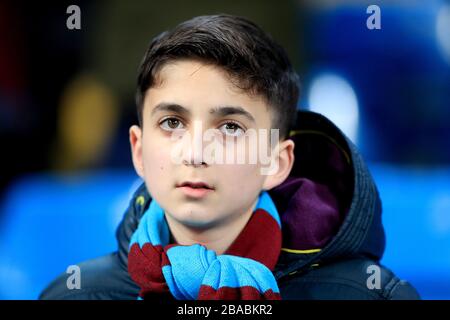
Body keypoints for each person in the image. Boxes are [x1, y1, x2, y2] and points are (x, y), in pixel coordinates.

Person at [40, 14, 420, 300]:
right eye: (172, 122)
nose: (195, 152)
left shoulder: (366, 294)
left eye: (230, 128)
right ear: (138, 150)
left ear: (277, 162)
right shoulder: (76, 293)